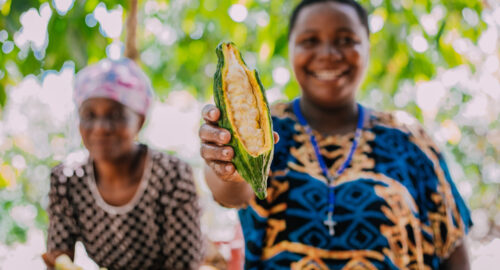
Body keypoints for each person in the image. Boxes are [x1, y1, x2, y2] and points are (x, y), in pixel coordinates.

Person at [199, 0, 472, 269]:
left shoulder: (409, 140)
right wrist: (228, 167)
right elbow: (230, 194)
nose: (328, 53)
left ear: (368, 46)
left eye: (345, 40)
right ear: (291, 47)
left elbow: (451, 247)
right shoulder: (266, 128)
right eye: (310, 40)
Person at [42, 58, 203, 270]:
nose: (100, 128)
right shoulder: (66, 179)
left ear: (140, 121)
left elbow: (185, 265)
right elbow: (60, 257)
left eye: (115, 115)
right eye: (89, 115)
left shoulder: (172, 175)